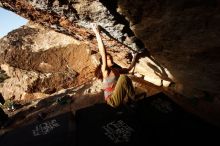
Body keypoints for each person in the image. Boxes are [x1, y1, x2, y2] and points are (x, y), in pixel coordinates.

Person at [92, 24, 140, 108]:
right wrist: (97, 33)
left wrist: (134, 57)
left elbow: (129, 69)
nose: (110, 59)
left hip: (118, 97)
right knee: (123, 78)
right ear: (104, 63)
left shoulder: (116, 70)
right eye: (108, 59)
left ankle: (131, 99)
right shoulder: (105, 71)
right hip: (111, 101)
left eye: (111, 57)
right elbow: (103, 53)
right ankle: (134, 99)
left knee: (126, 78)